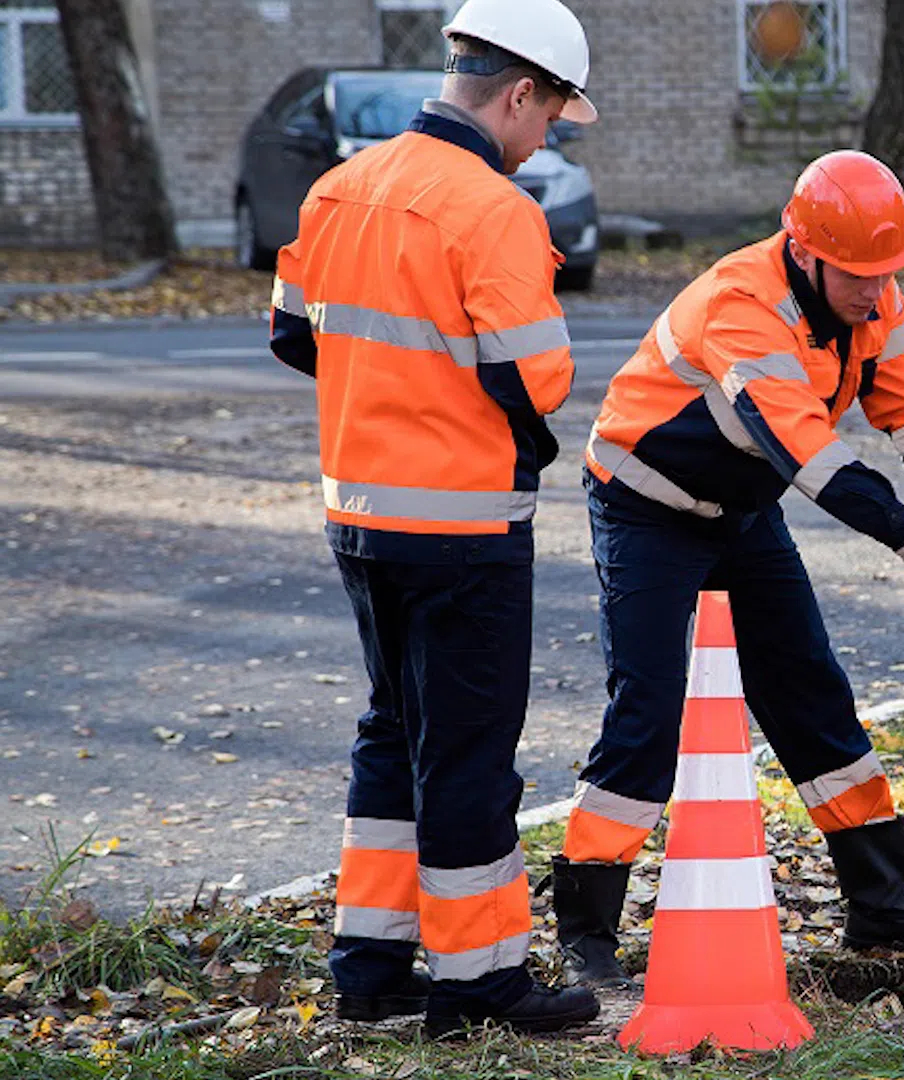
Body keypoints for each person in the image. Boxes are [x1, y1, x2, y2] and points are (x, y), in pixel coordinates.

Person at [547, 149, 904, 986]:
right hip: (646, 505)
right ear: (805, 254)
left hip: (741, 510)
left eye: (886, 273)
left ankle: (882, 912)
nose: (875, 293)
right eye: (855, 276)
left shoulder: (876, 294)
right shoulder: (741, 306)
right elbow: (818, 461)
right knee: (650, 710)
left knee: (812, 694)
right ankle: (585, 933)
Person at [267, 0, 601, 1037]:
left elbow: (291, 334)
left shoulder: (340, 186)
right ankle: (481, 980)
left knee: (391, 734)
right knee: (465, 750)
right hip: (461, 525)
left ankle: (370, 971)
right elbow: (534, 377)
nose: (547, 139)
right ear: (516, 94)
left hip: (357, 515)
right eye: (550, 119)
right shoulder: (495, 211)